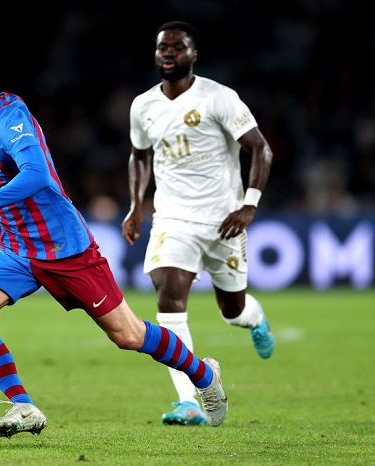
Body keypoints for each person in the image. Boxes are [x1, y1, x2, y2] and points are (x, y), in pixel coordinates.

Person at [0, 31, 228, 439]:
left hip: (63, 246)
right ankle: (24, 407)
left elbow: (36, 176)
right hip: (18, 247)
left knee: (128, 335)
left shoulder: (10, 119)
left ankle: (202, 374)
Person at [121, 20, 275, 426]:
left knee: (233, 311)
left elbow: (261, 149)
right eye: (161, 48)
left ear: (193, 54)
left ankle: (255, 319)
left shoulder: (219, 98)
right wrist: (137, 204)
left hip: (224, 221)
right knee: (167, 295)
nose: (168, 53)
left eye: (177, 47)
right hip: (173, 218)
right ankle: (191, 399)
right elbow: (139, 156)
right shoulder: (143, 105)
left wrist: (249, 205)